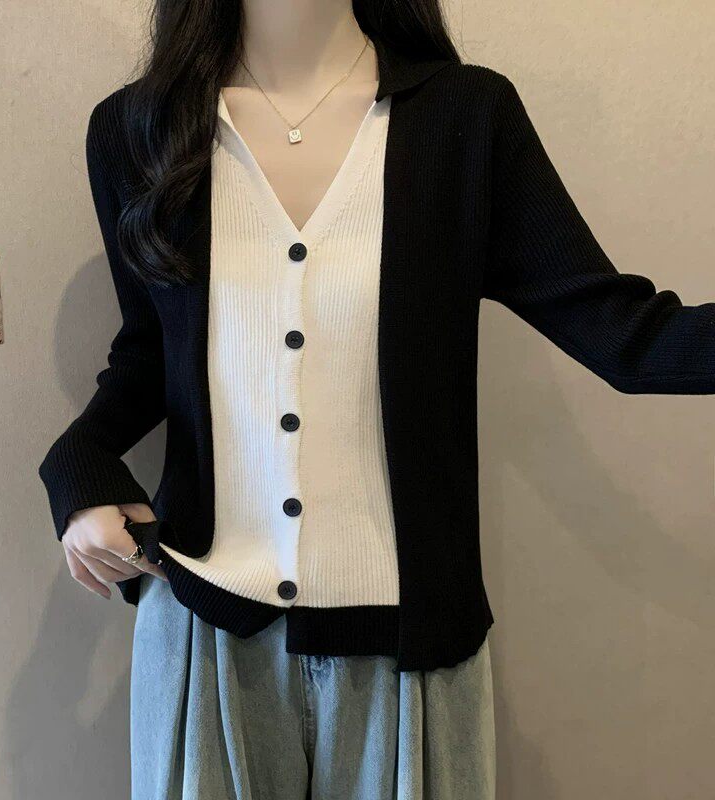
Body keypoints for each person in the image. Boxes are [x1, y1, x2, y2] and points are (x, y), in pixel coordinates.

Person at [38, 1, 715, 797]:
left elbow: (627, 335)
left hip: (406, 650)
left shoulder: (466, 119)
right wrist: (76, 467)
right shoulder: (136, 129)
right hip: (204, 631)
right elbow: (150, 353)